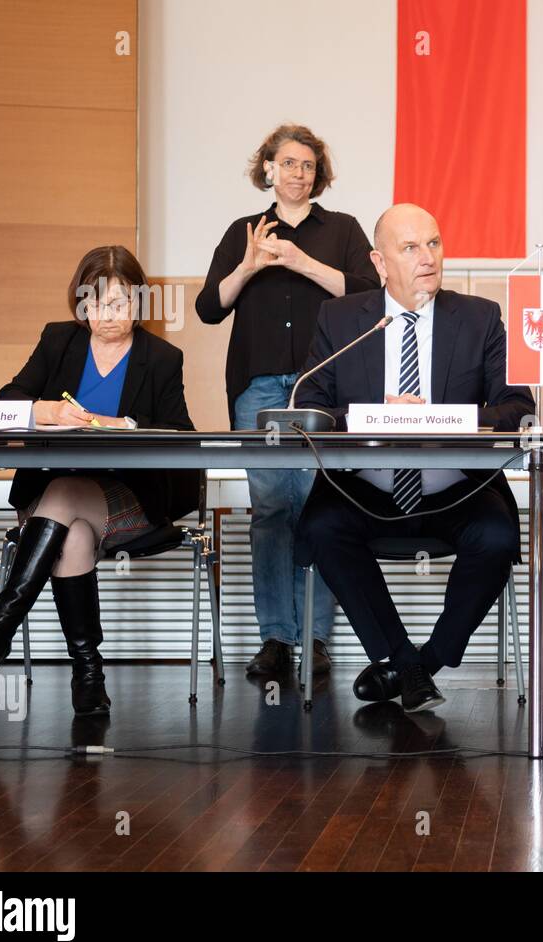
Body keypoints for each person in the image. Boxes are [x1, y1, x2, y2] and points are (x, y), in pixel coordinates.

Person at [293, 203, 534, 713]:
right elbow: (306, 407)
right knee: (320, 528)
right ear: (379, 263)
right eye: (410, 248)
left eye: (434, 243)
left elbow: (519, 408)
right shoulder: (341, 320)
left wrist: (445, 418)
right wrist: (371, 413)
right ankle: (405, 664)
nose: (427, 258)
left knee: (497, 536)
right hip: (366, 487)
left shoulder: (479, 317)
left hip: (457, 487)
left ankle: (423, 663)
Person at [0, 246, 199, 715]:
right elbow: (7, 398)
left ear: (141, 303)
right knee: (71, 533)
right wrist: (45, 411)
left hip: (126, 501)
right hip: (52, 502)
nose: (110, 314)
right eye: (99, 303)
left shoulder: (163, 357)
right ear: (81, 304)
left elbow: (182, 434)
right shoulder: (58, 341)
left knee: (65, 497)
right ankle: (88, 675)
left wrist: (125, 426)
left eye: (122, 303)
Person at [195, 123, 380, 679]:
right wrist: (251, 264)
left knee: (318, 510)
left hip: (323, 387)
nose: (298, 173)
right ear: (268, 169)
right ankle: (276, 637)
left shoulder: (342, 229)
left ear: (317, 174)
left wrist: (300, 261)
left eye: (307, 165)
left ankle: (317, 638)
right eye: (288, 163)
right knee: (271, 511)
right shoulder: (242, 231)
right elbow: (208, 307)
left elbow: (370, 295)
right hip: (258, 388)